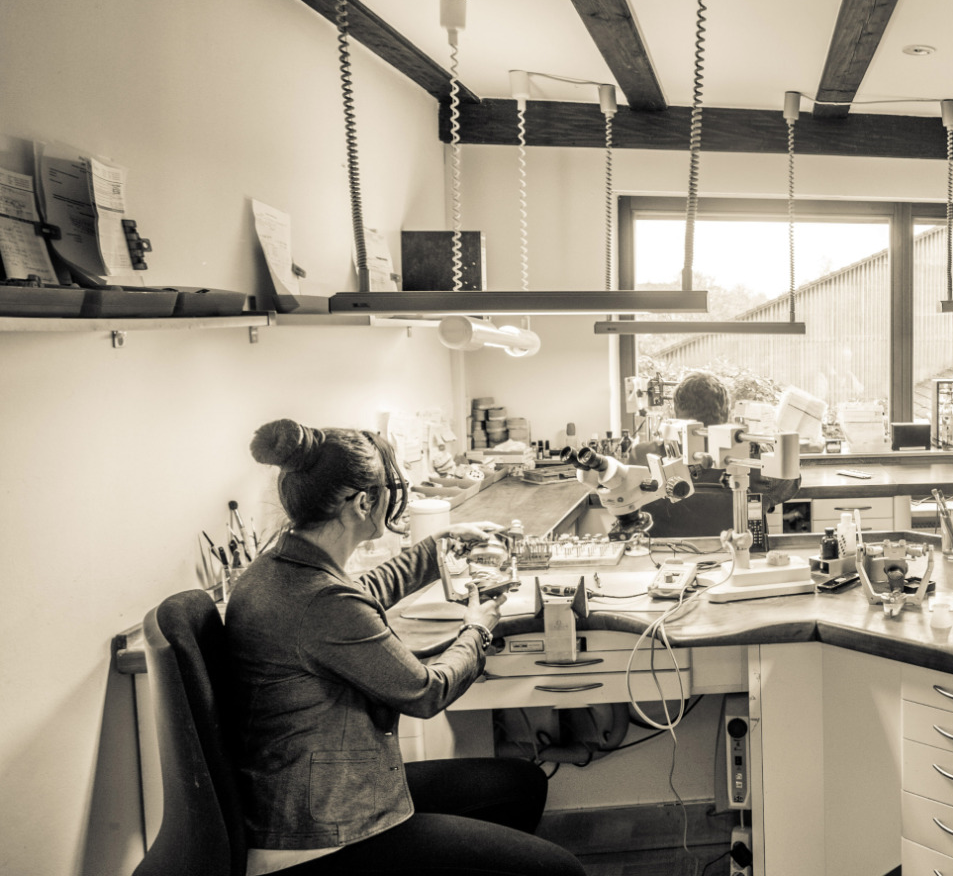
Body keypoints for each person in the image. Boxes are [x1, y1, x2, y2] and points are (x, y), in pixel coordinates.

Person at [227, 419, 584, 876]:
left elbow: (360, 594)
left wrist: (437, 548)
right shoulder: (322, 600)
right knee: (561, 871)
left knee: (521, 784)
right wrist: (477, 629)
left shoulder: (276, 570)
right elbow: (426, 691)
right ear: (363, 503)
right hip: (322, 834)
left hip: (312, 798)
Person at [629, 372, 798, 538]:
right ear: (727, 413)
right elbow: (791, 480)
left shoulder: (641, 456)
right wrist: (763, 446)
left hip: (660, 553)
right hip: (734, 552)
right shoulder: (752, 460)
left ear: (674, 413)